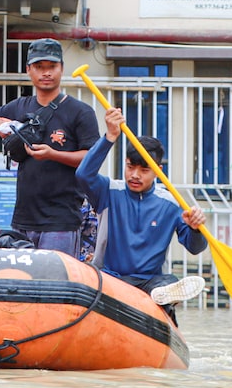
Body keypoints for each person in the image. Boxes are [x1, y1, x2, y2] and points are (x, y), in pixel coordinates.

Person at [74, 106, 208, 320]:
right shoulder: (108, 191)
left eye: (144, 170)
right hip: (111, 277)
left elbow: (195, 248)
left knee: (168, 282)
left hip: (151, 282)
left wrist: (196, 229)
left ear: (158, 171)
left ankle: (163, 298)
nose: (135, 175)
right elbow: (83, 174)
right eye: (129, 167)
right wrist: (109, 137)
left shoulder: (172, 203)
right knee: (95, 280)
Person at [0, 37, 100, 258]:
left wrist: (53, 155)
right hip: (23, 219)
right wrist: (0, 123)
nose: (46, 73)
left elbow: (92, 158)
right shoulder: (20, 106)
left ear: (61, 68)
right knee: (23, 285)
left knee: (55, 286)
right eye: (39, 67)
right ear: (28, 70)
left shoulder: (80, 112)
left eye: (52, 66)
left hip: (61, 220)